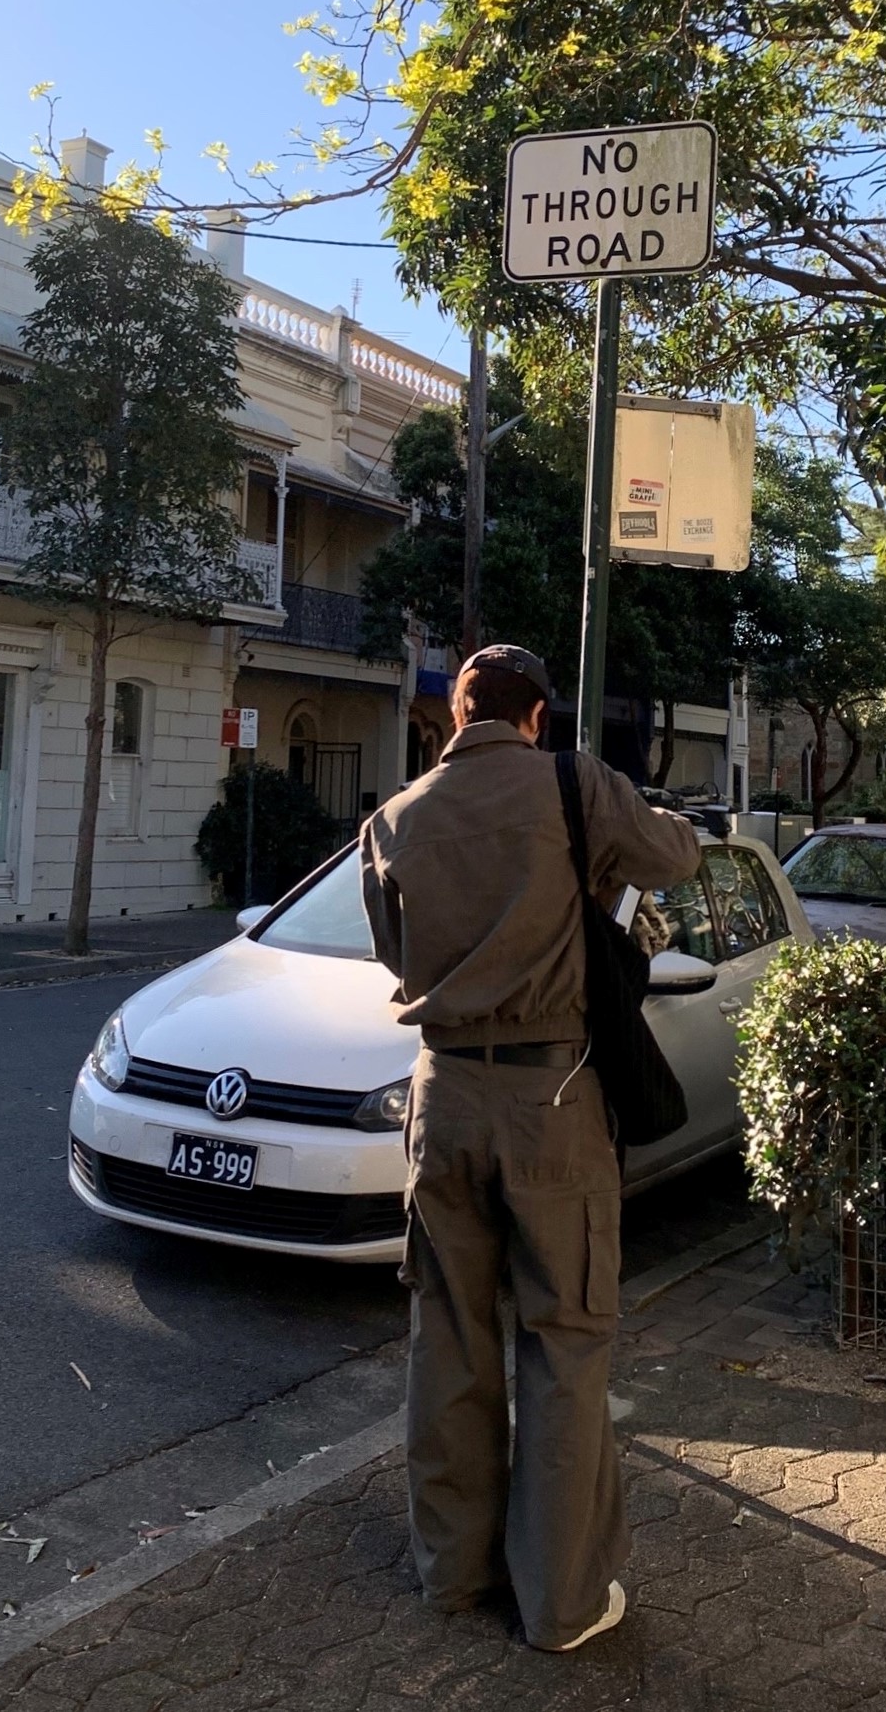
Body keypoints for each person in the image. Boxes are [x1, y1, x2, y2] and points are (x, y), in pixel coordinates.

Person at [359, 644, 702, 1652]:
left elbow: (395, 955)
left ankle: (454, 1574)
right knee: (563, 1340)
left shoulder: (393, 818)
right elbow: (675, 858)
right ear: (537, 717)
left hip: (441, 1096)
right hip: (551, 1097)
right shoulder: (573, 783)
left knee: (448, 1335)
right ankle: (560, 1605)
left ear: (455, 713)